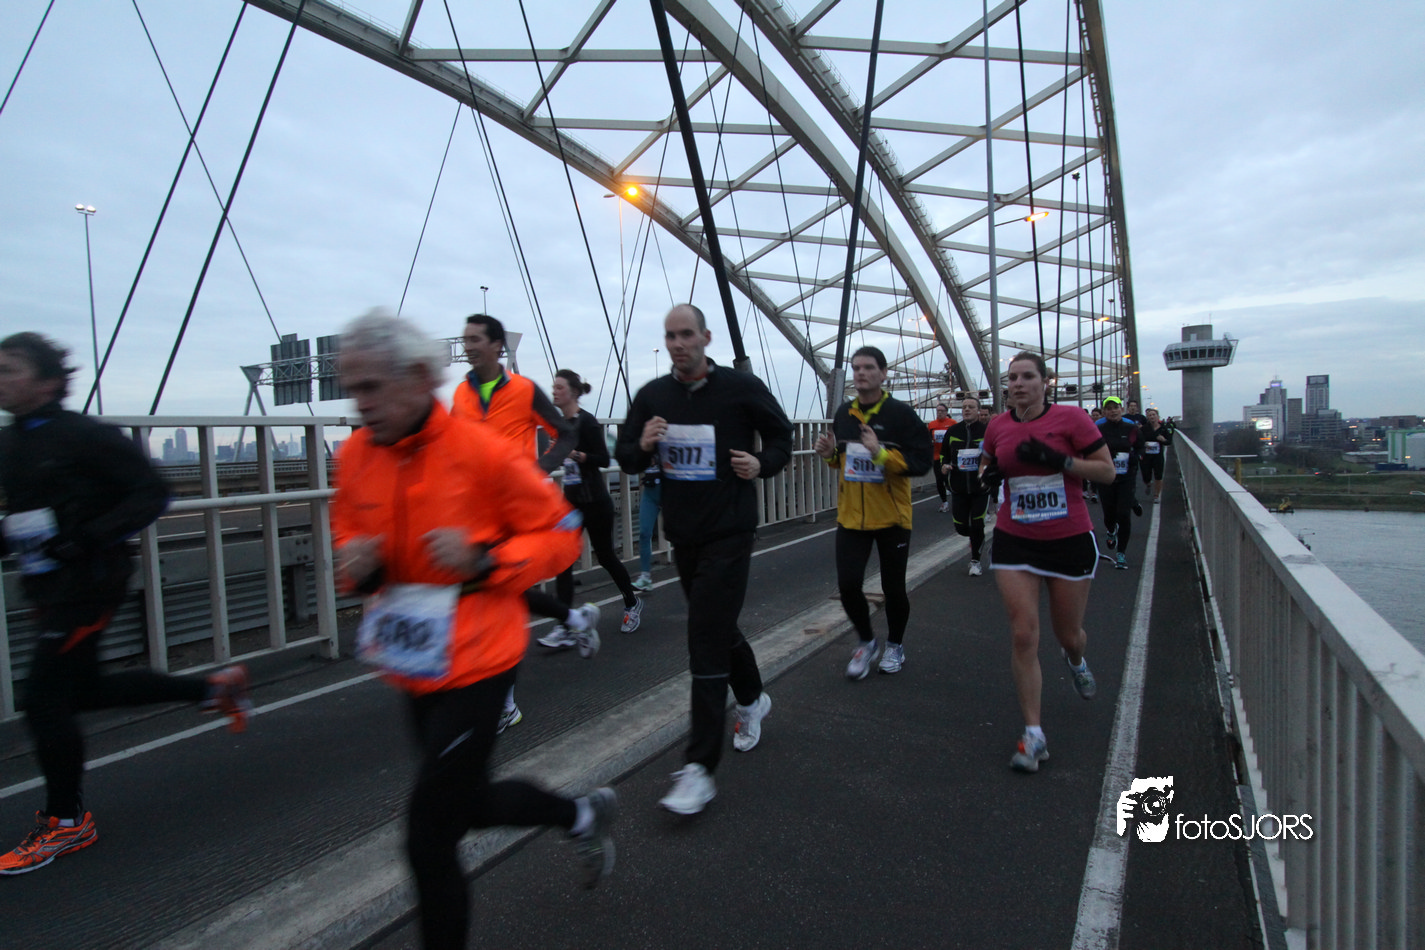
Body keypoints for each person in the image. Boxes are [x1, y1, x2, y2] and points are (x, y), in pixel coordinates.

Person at [331, 311, 615, 950]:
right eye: (353, 389)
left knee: (428, 834)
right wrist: (356, 562)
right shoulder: (354, 457)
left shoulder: (479, 452)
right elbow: (347, 529)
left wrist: (485, 560)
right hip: (413, 664)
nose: (361, 404)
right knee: (466, 803)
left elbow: (561, 535)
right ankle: (579, 813)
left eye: (372, 386)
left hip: (481, 661)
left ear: (417, 377)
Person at [0, 332, 250, 875]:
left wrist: (84, 539)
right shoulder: (11, 442)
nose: (1, 380)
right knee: (83, 689)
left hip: (89, 583)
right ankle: (213, 688)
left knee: (43, 697)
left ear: (47, 381)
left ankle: (67, 822)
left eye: (10, 369)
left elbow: (152, 493)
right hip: (48, 586)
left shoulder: (85, 435)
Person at [616, 303, 792, 815]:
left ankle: (699, 767)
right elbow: (625, 455)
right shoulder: (653, 396)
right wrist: (643, 444)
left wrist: (761, 463)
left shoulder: (740, 388)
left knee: (704, 638)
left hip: (731, 530)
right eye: (670, 336)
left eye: (686, 334)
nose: (678, 344)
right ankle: (753, 698)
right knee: (718, 627)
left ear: (706, 338)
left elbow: (781, 437)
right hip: (685, 535)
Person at [979, 351, 1115, 773]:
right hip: (1015, 539)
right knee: (1023, 634)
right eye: (1012, 378)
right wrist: (989, 475)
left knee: (1068, 635)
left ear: (1045, 382)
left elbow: (1107, 472)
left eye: (1027, 377)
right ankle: (1034, 735)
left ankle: (1075, 660)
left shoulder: (1072, 419)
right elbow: (987, 460)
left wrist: (1061, 462)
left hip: (1068, 540)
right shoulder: (997, 425)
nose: (1018, 384)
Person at [451, 313, 585, 731]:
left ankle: (504, 701)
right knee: (488, 597)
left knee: (498, 596)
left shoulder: (524, 390)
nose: (468, 346)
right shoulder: (460, 394)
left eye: (475, 339)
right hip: (473, 514)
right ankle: (572, 619)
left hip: (514, 513)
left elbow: (565, 433)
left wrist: (539, 468)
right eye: (465, 340)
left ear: (497, 346)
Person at [814, 348, 931, 677]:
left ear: (883, 373)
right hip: (852, 516)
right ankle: (867, 642)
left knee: (894, 589)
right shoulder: (844, 413)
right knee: (848, 585)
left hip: (892, 517)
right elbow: (842, 460)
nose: (861, 373)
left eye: (868, 367)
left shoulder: (901, 415)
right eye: (856, 368)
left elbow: (921, 462)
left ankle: (895, 644)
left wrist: (880, 453)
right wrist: (829, 454)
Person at [532, 369, 643, 650]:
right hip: (572, 503)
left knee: (605, 556)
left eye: (559, 387)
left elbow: (604, 459)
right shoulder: (559, 425)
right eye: (553, 387)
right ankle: (566, 625)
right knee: (563, 561)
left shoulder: (588, 422)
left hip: (595, 501)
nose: (554, 391)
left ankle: (632, 602)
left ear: (573, 392)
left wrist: (576, 454)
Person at [939, 395, 990, 575]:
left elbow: (996, 454)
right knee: (961, 527)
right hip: (958, 487)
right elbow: (944, 454)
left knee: (977, 524)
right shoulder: (953, 431)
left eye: (971, 407)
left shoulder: (986, 431)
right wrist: (944, 466)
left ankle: (975, 561)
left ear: (978, 410)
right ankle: (976, 538)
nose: (967, 409)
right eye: (964, 407)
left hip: (980, 488)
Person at [1096, 396, 1143, 570]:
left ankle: (1121, 553)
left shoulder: (1131, 429)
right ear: (1104, 412)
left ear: (1121, 409)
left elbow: (1141, 446)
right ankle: (1111, 530)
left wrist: (1136, 457)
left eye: (1115, 408)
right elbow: (1090, 449)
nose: (1113, 411)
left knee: (1123, 514)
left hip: (1126, 477)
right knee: (1109, 515)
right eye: (1109, 409)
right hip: (1106, 477)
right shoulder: (1099, 430)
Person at [632, 458, 662, 592]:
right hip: (650, 493)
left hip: (670, 491)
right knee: (644, 533)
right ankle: (645, 577)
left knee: (680, 533)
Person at [1139, 408, 1173, 504]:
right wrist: (1143, 444)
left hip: (1158, 456)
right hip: (1146, 456)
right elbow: (1138, 440)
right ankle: (1148, 484)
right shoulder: (1144, 429)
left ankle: (1156, 495)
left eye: (1154, 415)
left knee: (1158, 475)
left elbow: (1169, 441)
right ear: (1148, 417)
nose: (1152, 417)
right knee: (1146, 476)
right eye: (1150, 415)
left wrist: (1163, 440)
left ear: (1158, 416)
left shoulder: (1163, 428)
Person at [926, 402, 954, 514]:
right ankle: (944, 502)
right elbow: (928, 439)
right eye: (938, 411)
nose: (940, 413)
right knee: (939, 480)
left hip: (949, 456)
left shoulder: (952, 423)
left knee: (949, 480)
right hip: (937, 456)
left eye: (942, 411)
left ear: (946, 412)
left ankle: (957, 497)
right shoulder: (932, 424)